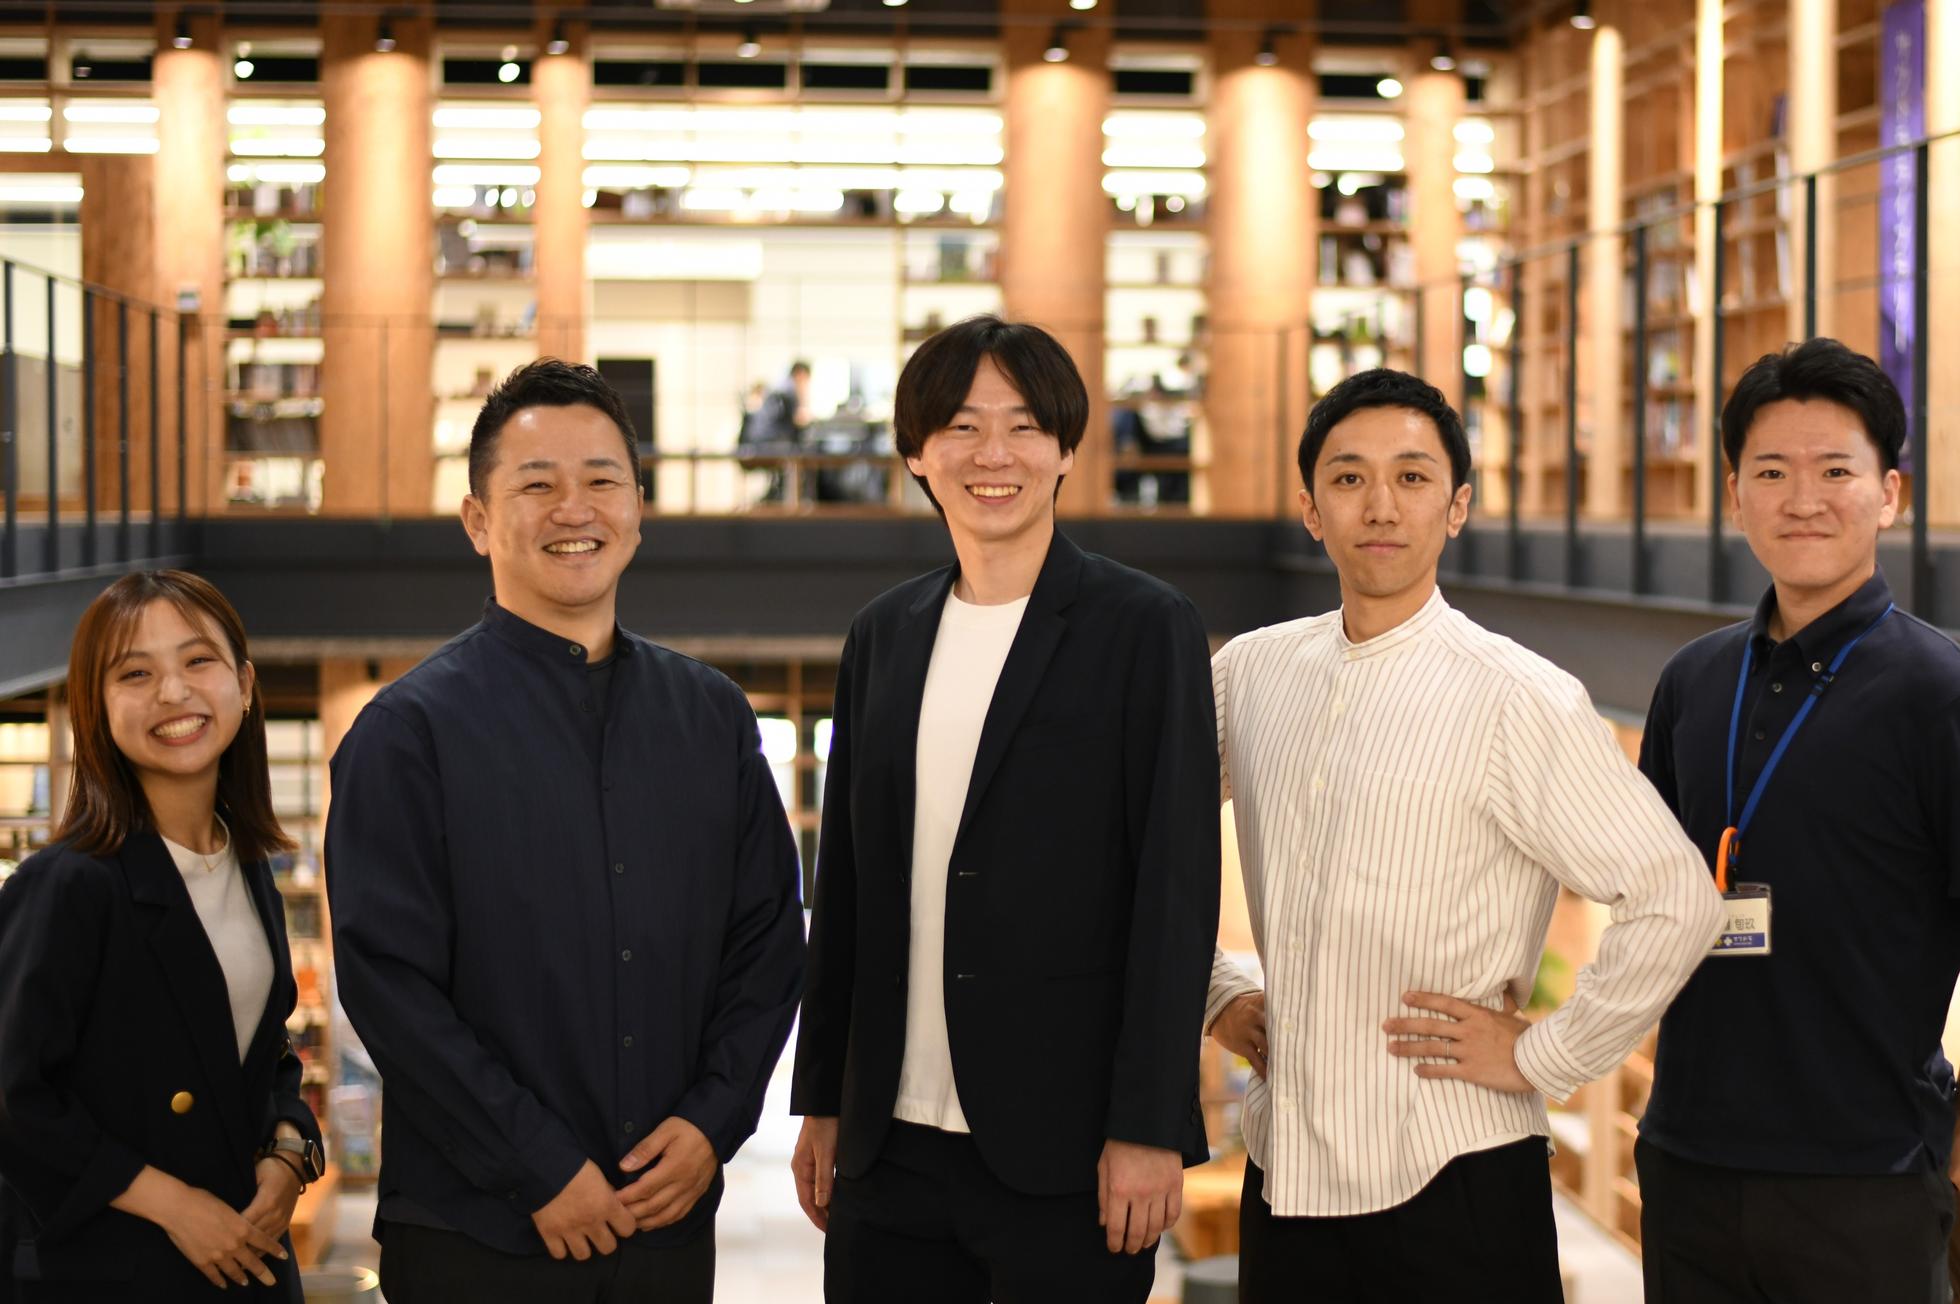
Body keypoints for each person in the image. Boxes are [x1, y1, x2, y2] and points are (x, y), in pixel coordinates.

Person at [1204, 369, 1722, 1303]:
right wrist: (1219, 993)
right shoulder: (1248, 671)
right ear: (1311, 510)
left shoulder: (1521, 696)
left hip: (1457, 1180)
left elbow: (1676, 898)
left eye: (1412, 477)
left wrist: (1542, 1055)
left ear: (1458, 507)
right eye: (1349, 478)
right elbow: (1140, 850)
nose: (1381, 505)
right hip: (1284, 1178)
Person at [325, 359, 806, 1303]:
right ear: (477, 521)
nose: (573, 509)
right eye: (537, 485)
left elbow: (767, 941)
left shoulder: (711, 716)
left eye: (600, 480)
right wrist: (537, 1167)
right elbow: (390, 988)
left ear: (638, 509)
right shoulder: (407, 733)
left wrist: (712, 1123)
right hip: (476, 1233)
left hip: (664, 1227)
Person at [788, 315, 1220, 1303]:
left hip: (1068, 1148)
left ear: (1066, 449)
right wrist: (822, 1098)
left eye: (1025, 426)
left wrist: (1150, 1124)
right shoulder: (882, 634)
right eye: (963, 426)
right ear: (917, 453)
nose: (994, 454)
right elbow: (844, 886)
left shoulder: (1145, 627)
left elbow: (1174, 890)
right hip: (888, 1146)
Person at [1634, 338, 1960, 1303]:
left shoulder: (1939, 690)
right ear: (1735, 495)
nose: (1803, 499)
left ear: (1890, 494)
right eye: (1772, 472)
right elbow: (1646, 900)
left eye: (1835, 471)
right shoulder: (1691, 682)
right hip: (1687, 1161)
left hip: (1867, 1178)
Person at [0, 570, 325, 1302]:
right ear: (95, 707)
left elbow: (263, 1052)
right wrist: (176, 1206)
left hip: (246, 1259)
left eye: (198, 660)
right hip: (112, 1269)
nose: (173, 692)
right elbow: (15, 1097)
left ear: (245, 684)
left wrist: (289, 1151)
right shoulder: (68, 884)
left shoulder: (248, 866)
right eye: (135, 673)